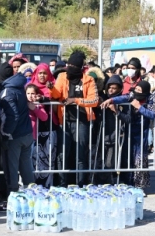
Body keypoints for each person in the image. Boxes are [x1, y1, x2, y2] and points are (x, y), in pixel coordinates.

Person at [48, 52, 99, 186]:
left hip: (82, 121)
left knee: (81, 154)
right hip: (64, 120)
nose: (70, 67)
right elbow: (56, 95)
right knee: (62, 154)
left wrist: (75, 100)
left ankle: (80, 183)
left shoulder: (88, 80)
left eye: (73, 65)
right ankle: (62, 183)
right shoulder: (62, 76)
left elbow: (94, 100)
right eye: (68, 64)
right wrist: (51, 89)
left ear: (80, 67)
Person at [0, 62, 34, 193]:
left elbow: (12, 116)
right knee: (26, 167)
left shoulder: (7, 91)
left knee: (11, 168)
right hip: (27, 133)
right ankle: (32, 193)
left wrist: (6, 132)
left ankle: (12, 196)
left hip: (14, 135)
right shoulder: (18, 86)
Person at [96, 75, 131, 184]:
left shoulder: (123, 101)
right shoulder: (102, 97)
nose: (111, 90)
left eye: (114, 88)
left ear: (119, 89)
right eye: (109, 87)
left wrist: (116, 111)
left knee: (109, 163)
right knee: (98, 162)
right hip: (100, 136)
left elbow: (128, 119)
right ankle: (98, 183)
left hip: (114, 137)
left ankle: (108, 183)